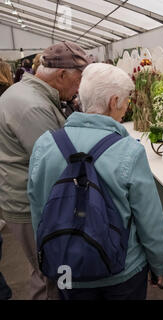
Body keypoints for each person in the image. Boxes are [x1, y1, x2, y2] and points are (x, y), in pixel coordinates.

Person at [28, 63, 163, 300]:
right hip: (121, 272)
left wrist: (50, 254)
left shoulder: (45, 144)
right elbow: (151, 222)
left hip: (67, 269)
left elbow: (39, 211)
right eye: (126, 101)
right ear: (114, 101)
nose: (126, 108)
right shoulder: (129, 151)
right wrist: (159, 264)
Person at [0, 41, 89, 300]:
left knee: (41, 268)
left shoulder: (27, 93)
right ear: (62, 75)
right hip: (30, 205)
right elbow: (58, 165)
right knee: (53, 270)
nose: (79, 88)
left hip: (21, 197)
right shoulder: (34, 107)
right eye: (79, 79)